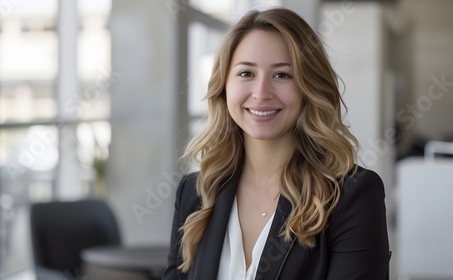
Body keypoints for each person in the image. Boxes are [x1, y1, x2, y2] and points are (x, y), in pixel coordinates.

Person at [163, 7, 390, 280]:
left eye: (282, 75)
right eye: (246, 73)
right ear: (224, 86)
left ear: (309, 87)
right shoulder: (195, 192)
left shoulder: (352, 196)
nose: (261, 93)